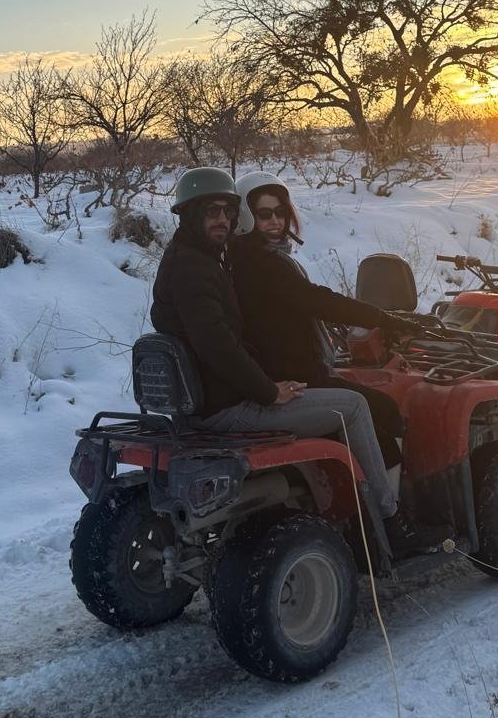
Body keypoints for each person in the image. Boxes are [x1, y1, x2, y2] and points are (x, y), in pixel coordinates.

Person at [151, 166, 400, 524]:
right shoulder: (196, 268)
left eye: (228, 211)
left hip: (210, 398)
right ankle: (390, 514)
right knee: (357, 406)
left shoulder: (202, 258)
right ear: (188, 215)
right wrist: (268, 391)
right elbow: (217, 344)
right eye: (211, 211)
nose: (222, 219)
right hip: (227, 406)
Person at [228, 171, 408, 480]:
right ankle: (392, 509)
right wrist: (380, 318)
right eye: (264, 214)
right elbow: (315, 299)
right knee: (386, 411)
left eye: (281, 212)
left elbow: (295, 308)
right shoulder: (260, 263)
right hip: (295, 377)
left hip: (283, 367)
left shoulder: (251, 257)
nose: (275, 221)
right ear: (246, 217)